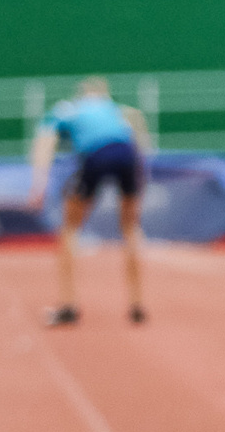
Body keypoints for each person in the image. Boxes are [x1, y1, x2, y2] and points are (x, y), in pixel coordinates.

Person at [25, 77, 152, 328]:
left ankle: (69, 305)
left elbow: (45, 139)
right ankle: (137, 304)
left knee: (70, 228)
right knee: (130, 227)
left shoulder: (69, 109)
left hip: (95, 155)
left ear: (82, 93)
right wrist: (142, 172)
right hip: (126, 153)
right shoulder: (115, 110)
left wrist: (39, 183)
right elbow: (137, 125)